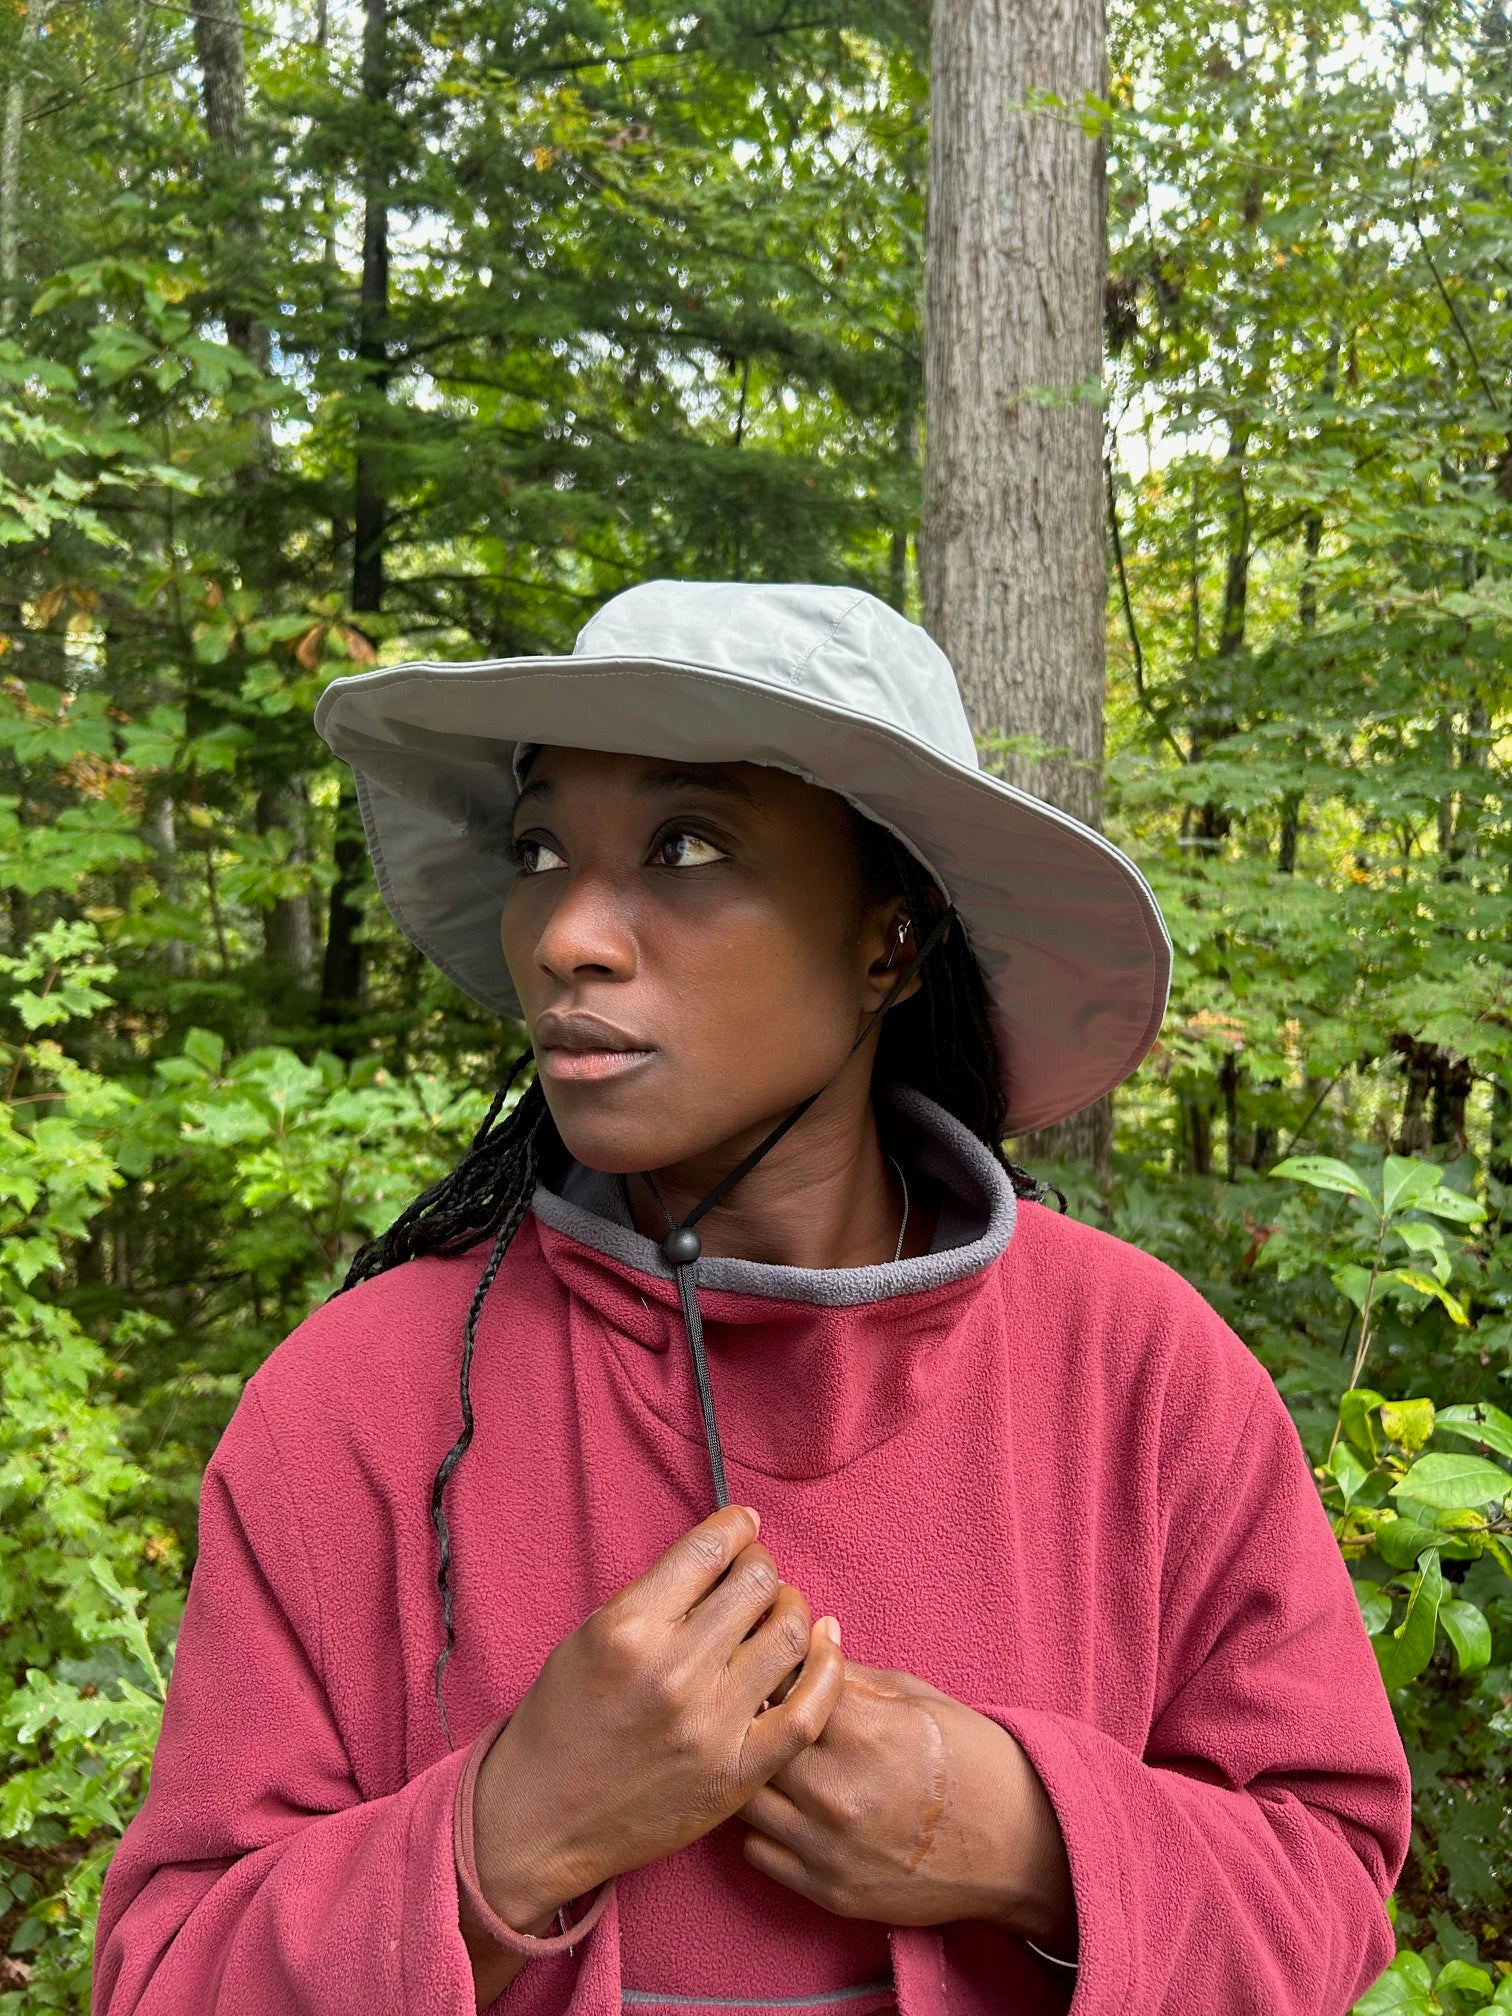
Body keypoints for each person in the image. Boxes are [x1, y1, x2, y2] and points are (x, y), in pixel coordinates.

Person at [93, 582, 1411, 2016]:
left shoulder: (1142, 1375)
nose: (567, 937)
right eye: (540, 849)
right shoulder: (358, 1406)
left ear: (887, 945)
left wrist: (1029, 1836)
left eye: (686, 843)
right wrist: (506, 1834)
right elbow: (169, 1977)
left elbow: (1330, 1882)